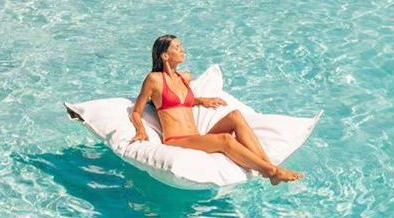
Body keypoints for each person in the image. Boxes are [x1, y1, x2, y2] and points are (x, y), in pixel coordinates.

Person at [129, 34, 303, 184]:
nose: (182, 50)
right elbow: (137, 111)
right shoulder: (154, 79)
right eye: (177, 47)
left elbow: (181, 102)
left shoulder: (184, 77)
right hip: (176, 140)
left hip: (196, 136)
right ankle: (271, 171)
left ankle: (270, 167)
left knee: (235, 116)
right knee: (225, 139)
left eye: (181, 46)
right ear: (165, 55)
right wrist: (141, 130)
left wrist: (200, 100)